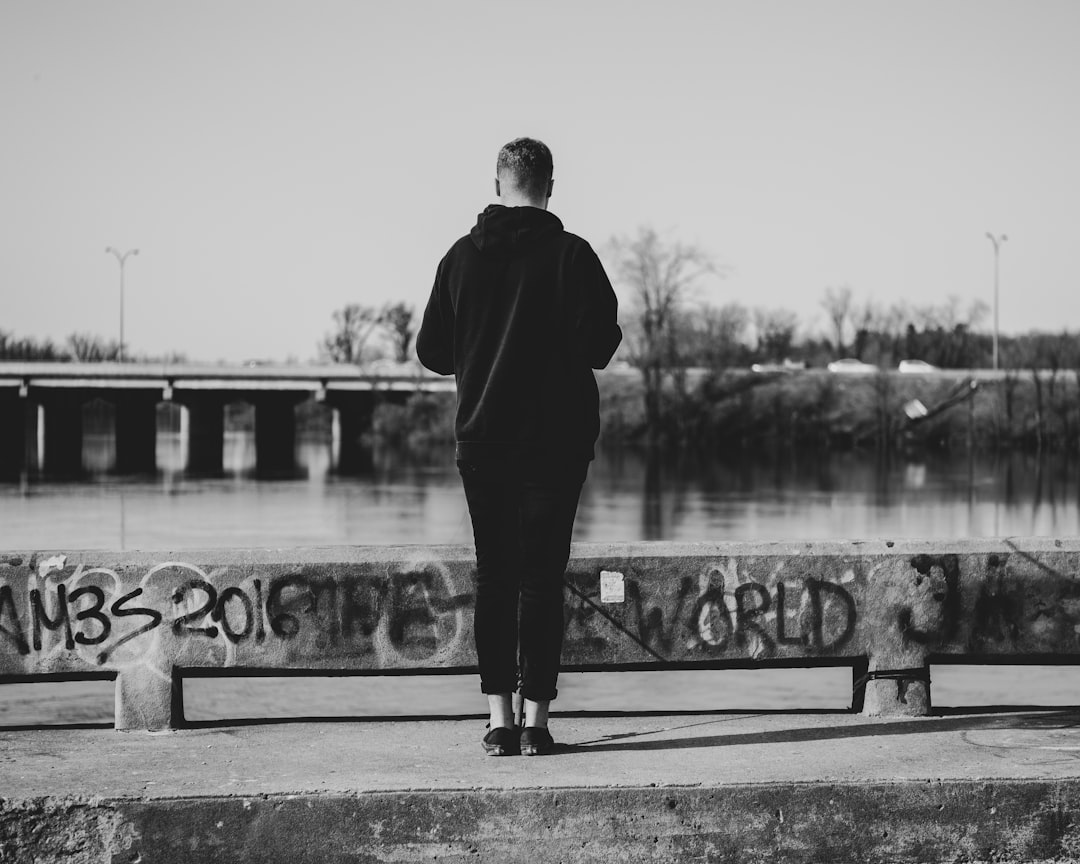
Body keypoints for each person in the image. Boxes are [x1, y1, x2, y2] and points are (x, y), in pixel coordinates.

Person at [416, 137, 622, 756]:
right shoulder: (573, 256)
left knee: (495, 577)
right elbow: (600, 348)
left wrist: (481, 348)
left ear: (497, 183)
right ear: (550, 186)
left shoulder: (459, 258)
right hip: (556, 445)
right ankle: (537, 723)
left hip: (484, 439)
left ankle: (498, 720)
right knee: (541, 579)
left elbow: (432, 352)